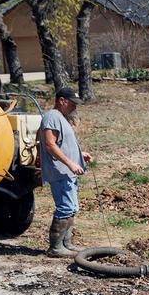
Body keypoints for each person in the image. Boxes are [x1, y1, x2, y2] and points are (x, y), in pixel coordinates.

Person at [39, 86, 91, 258]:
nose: (75, 107)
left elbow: (62, 144)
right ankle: (55, 247)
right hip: (60, 171)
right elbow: (50, 145)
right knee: (65, 208)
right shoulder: (52, 117)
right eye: (72, 104)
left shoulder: (61, 118)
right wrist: (70, 163)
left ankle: (65, 243)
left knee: (72, 208)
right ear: (62, 101)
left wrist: (79, 155)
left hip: (67, 172)